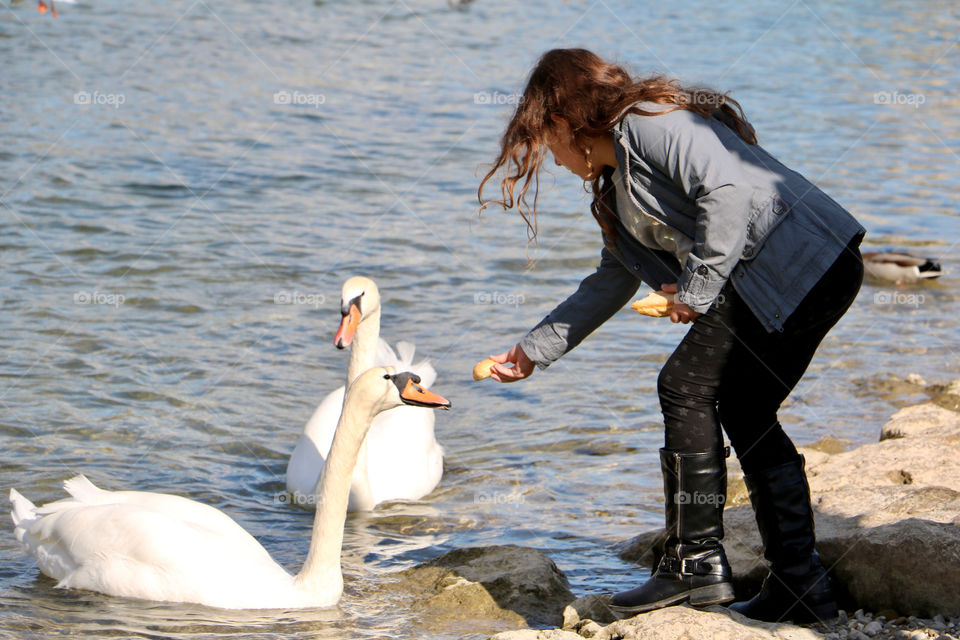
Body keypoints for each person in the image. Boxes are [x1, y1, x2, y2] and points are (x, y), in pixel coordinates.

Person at [477, 48, 864, 624]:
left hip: (803, 265)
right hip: (805, 273)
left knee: (682, 385)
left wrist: (696, 292)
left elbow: (729, 191)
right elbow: (610, 282)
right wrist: (533, 351)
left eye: (545, 140)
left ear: (562, 122)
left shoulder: (652, 122)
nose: (549, 160)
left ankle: (693, 566)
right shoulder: (614, 187)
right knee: (745, 407)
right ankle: (801, 585)